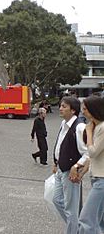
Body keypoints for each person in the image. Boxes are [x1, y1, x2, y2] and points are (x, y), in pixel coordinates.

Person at [52, 96, 89, 234]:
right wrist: (55, 162)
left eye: (64, 106)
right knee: (56, 200)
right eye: (61, 106)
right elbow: (60, 143)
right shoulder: (63, 123)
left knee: (71, 209)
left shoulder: (79, 127)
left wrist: (76, 166)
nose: (60, 109)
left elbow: (88, 153)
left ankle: (74, 229)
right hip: (61, 169)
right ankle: (76, 227)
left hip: (71, 172)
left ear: (73, 110)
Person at [78, 95, 104, 234]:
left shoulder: (102, 127)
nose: (83, 112)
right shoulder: (98, 126)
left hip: (101, 180)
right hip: (97, 178)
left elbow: (93, 152)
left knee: (87, 220)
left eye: (86, 109)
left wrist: (88, 132)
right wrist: (83, 171)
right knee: (99, 222)